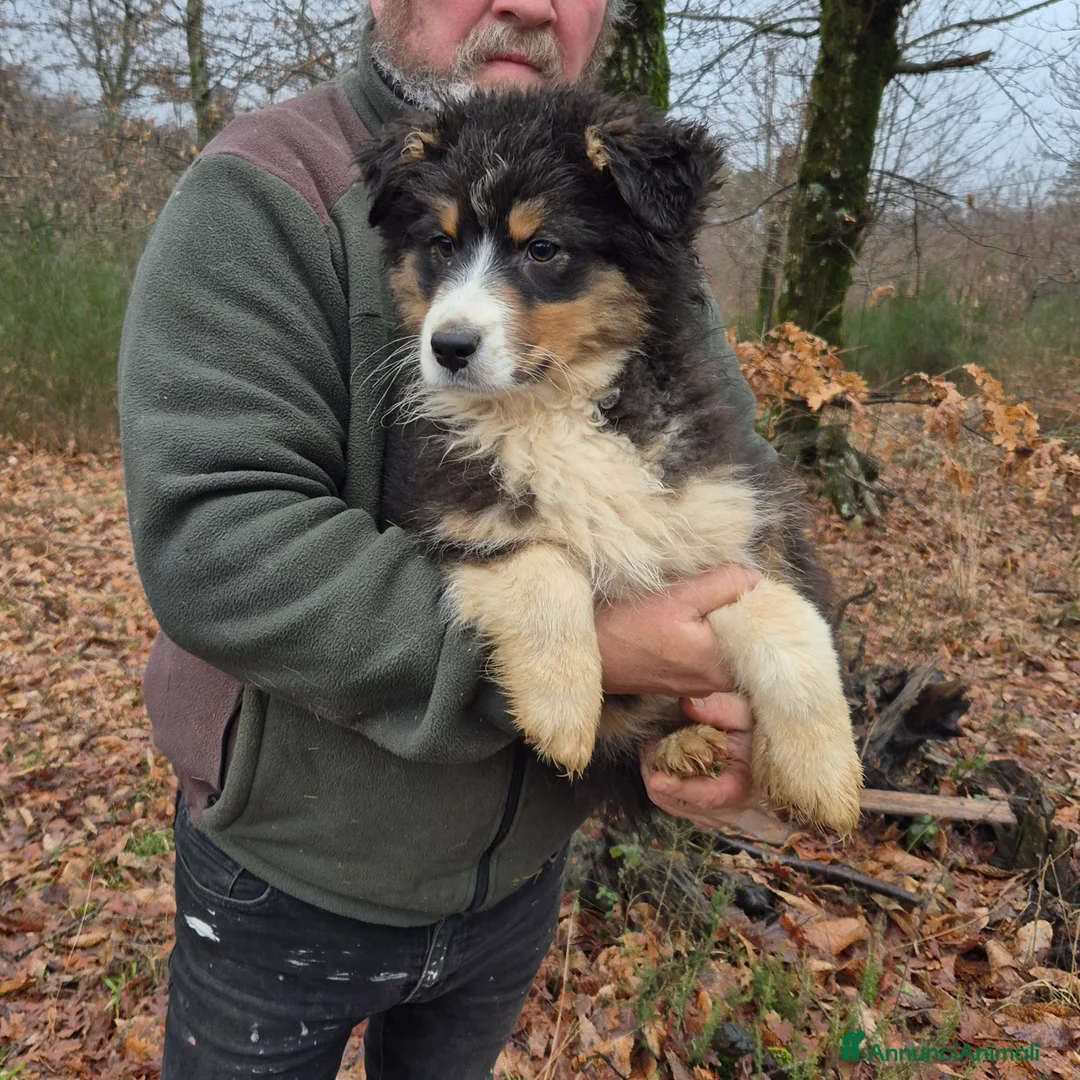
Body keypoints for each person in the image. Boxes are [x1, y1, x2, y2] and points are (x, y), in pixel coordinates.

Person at [118, 1, 772, 1076]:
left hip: (519, 873)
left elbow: (735, 467)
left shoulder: (620, 206)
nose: (529, 3)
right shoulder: (267, 190)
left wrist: (743, 686)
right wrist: (578, 645)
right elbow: (217, 537)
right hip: (292, 874)